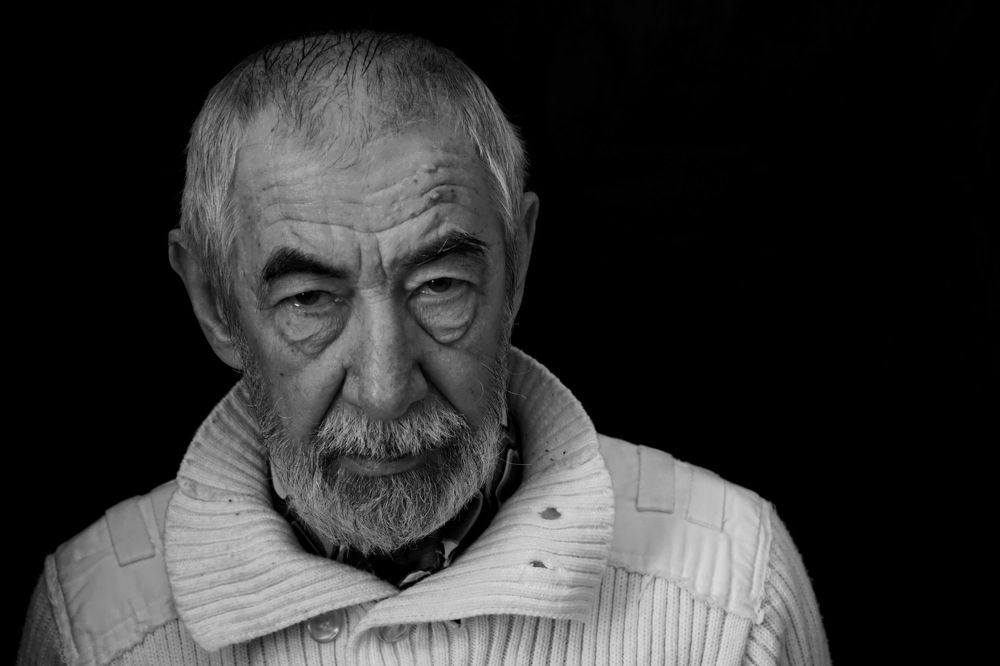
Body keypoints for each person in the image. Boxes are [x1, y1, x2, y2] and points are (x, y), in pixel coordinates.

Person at [18, 31, 830, 665]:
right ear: (214, 304)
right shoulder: (95, 619)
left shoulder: (731, 588)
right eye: (310, 300)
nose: (384, 386)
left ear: (518, 265)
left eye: (439, 285)